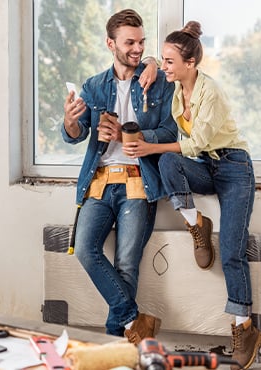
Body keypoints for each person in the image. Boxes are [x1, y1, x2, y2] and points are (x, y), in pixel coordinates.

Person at [124, 21, 261, 369]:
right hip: (205, 166)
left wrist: (148, 147)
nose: (164, 67)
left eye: (171, 62)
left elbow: (196, 142)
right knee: (169, 161)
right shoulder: (176, 86)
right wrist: (155, 61)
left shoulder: (209, 92)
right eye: (165, 61)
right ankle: (195, 222)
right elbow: (154, 61)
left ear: (190, 64)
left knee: (232, 250)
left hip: (234, 169)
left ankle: (244, 328)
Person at [62, 9, 178, 344]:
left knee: (127, 263)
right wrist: (71, 120)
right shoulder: (94, 86)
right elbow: (74, 133)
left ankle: (116, 343)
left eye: (142, 42)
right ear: (110, 43)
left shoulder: (157, 80)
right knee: (85, 249)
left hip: (138, 181)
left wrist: (129, 135)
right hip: (99, 182)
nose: (137, 49)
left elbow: (170, 131)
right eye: (130, 42)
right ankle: (134, 321)